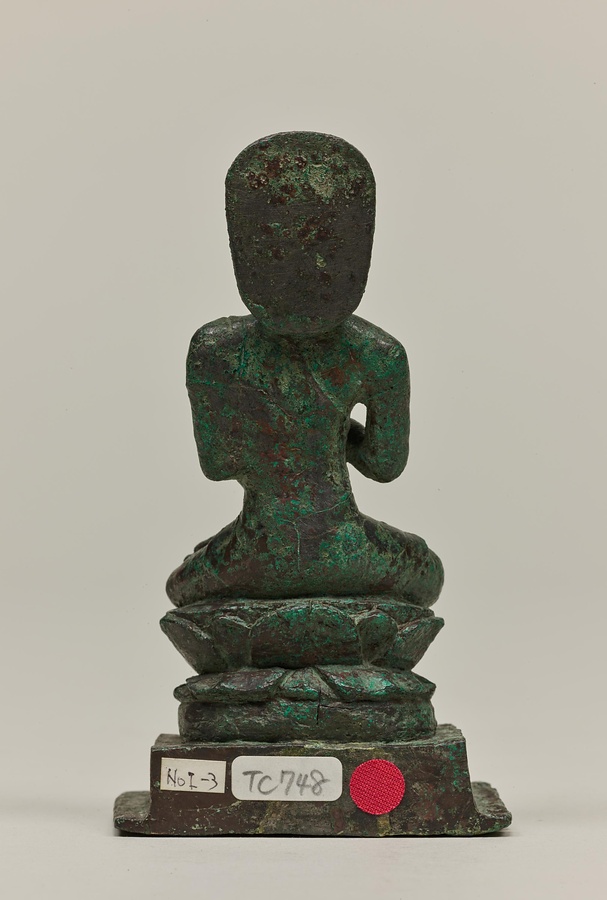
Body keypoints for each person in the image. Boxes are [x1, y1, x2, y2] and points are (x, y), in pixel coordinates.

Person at [166, 132, 443, 610]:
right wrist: (331, 430)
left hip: (255, 551)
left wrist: (283, 434)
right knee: (426, 571)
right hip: (349, 548)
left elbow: (218, 464)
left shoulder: (214, 350)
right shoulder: (378, 354)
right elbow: (384, 464)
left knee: (182, 587)